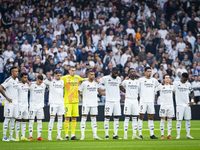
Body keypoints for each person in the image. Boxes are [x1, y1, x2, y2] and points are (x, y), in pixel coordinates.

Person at [79, 69, 105, 140]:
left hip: (94, 103)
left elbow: (101, 92)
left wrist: (108, 94)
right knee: (83, 118)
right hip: (86, 104)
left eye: (93, 74)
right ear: (88, 75)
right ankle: (82, 136)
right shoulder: (84, 83)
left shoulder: (96, 83)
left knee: (94, 119)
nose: (93, 76)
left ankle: (95, 135)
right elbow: (78, 91)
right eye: (91, 74)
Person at [61, 66, 84, 140]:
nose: (74, 72)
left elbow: (84, 80)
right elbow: (57, 80)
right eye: (72, 70)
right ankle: (66, 135)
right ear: (69, 71)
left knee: (74, 117)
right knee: (67, 117)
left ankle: (73, 135)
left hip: (75, 101)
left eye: (75, 70)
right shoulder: (65, 78)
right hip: (67, 101)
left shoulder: (77, 77)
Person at [99, 67, 122, 140]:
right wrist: (101, 92)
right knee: (107, 117)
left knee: (116, 117)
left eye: (117, 73)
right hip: (109, 101)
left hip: (117, 101)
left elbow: (120, 87)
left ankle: (115, 134)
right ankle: (106, 135)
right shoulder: (105, 78)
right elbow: (98, 84)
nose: (116, 74)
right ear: (111, 71)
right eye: (115, 73)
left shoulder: (119, 79)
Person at [138, 67, 160, 139]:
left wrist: (155, 90)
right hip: (143, 101)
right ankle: (140, 134)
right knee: (141, 116)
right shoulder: (141, 80)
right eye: (148, 71)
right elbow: (138, 89)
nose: (149, 73)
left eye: (150, 71)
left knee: (151, 117)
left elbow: (159, 86)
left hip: (151, 101)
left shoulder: (154, 80)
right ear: (145, 72)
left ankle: (152, 134)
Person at [120, 68, 141, 140]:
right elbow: (121, 86)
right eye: (131, 72)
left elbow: (140, 91)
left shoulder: (138, 82)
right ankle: (125, 135)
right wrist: (125, 91)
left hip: (135, 100)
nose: (133, 72)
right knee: (127, 117)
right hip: (128, 100)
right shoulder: (126, 81)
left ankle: (134, 135)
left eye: (134, 71)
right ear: (129, 73)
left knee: (135, 118)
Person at [44, 69, 64, 141]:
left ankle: (59, 136)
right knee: (52, 119)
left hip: (61, 103)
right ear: (54, 75)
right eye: (58, 75)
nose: (59, 77)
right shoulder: (50, 81)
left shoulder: (62, 81)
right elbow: (44, 81)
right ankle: (49, 136)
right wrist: (48, 77)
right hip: (53, 103)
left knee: (60, 119)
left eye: (60, 75)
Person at [173, 73, 194, 139]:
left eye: (185, 79)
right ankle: (178, 135)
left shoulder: (188, 84)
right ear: (181, 77)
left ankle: (188, 135)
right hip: (179, 105)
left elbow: (192, 92)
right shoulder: (176, 83)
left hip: (187, 104)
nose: (183, 80)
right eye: (183, 78)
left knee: (188, 120)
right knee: (179, 120)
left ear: (187, 79)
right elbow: (172, 90)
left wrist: (192, 101)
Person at [0, 66, 19, 141]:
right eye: (16, 71)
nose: (17, 73)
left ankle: (11, 137)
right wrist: (7, 98)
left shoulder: (17, 80)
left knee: (13, 119)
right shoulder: (9, 80)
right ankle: (4, 137)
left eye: (17, 71)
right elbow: (0, 87)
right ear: (12, 72)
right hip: (9, 103)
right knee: (7, 118)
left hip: (15, 103)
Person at [156, 74, 174, 139]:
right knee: (162, 120)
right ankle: (162, 135)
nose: (167, 79)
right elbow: (154, 90)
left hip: (170, 105)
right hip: (163, 106)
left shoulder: (172, 86)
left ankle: (169, 135)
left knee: (169, 120)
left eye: (168, 78)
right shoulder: (161, 86)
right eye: (166, 78)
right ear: (163, 79)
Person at [29, 75, 46, 141]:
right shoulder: (32, 85)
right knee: (31, 121)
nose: (40, 83)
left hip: (40, 107)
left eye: (41, 81)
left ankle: (39, 137)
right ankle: (31, 136)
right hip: (32, 106)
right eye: (39, 81)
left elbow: (48, 81)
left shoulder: (43, 85)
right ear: (36, 79)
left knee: (39, 121)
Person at [15, 72, 29, 141]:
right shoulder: (18, 85)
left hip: (26, 105)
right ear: (21, 78)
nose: (26, 79)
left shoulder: (27, 85)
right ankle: (17, 136)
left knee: (24, 120)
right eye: (24, 77)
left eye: (27, 78)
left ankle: (23, 136)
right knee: (18, 120)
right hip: (19, 105)